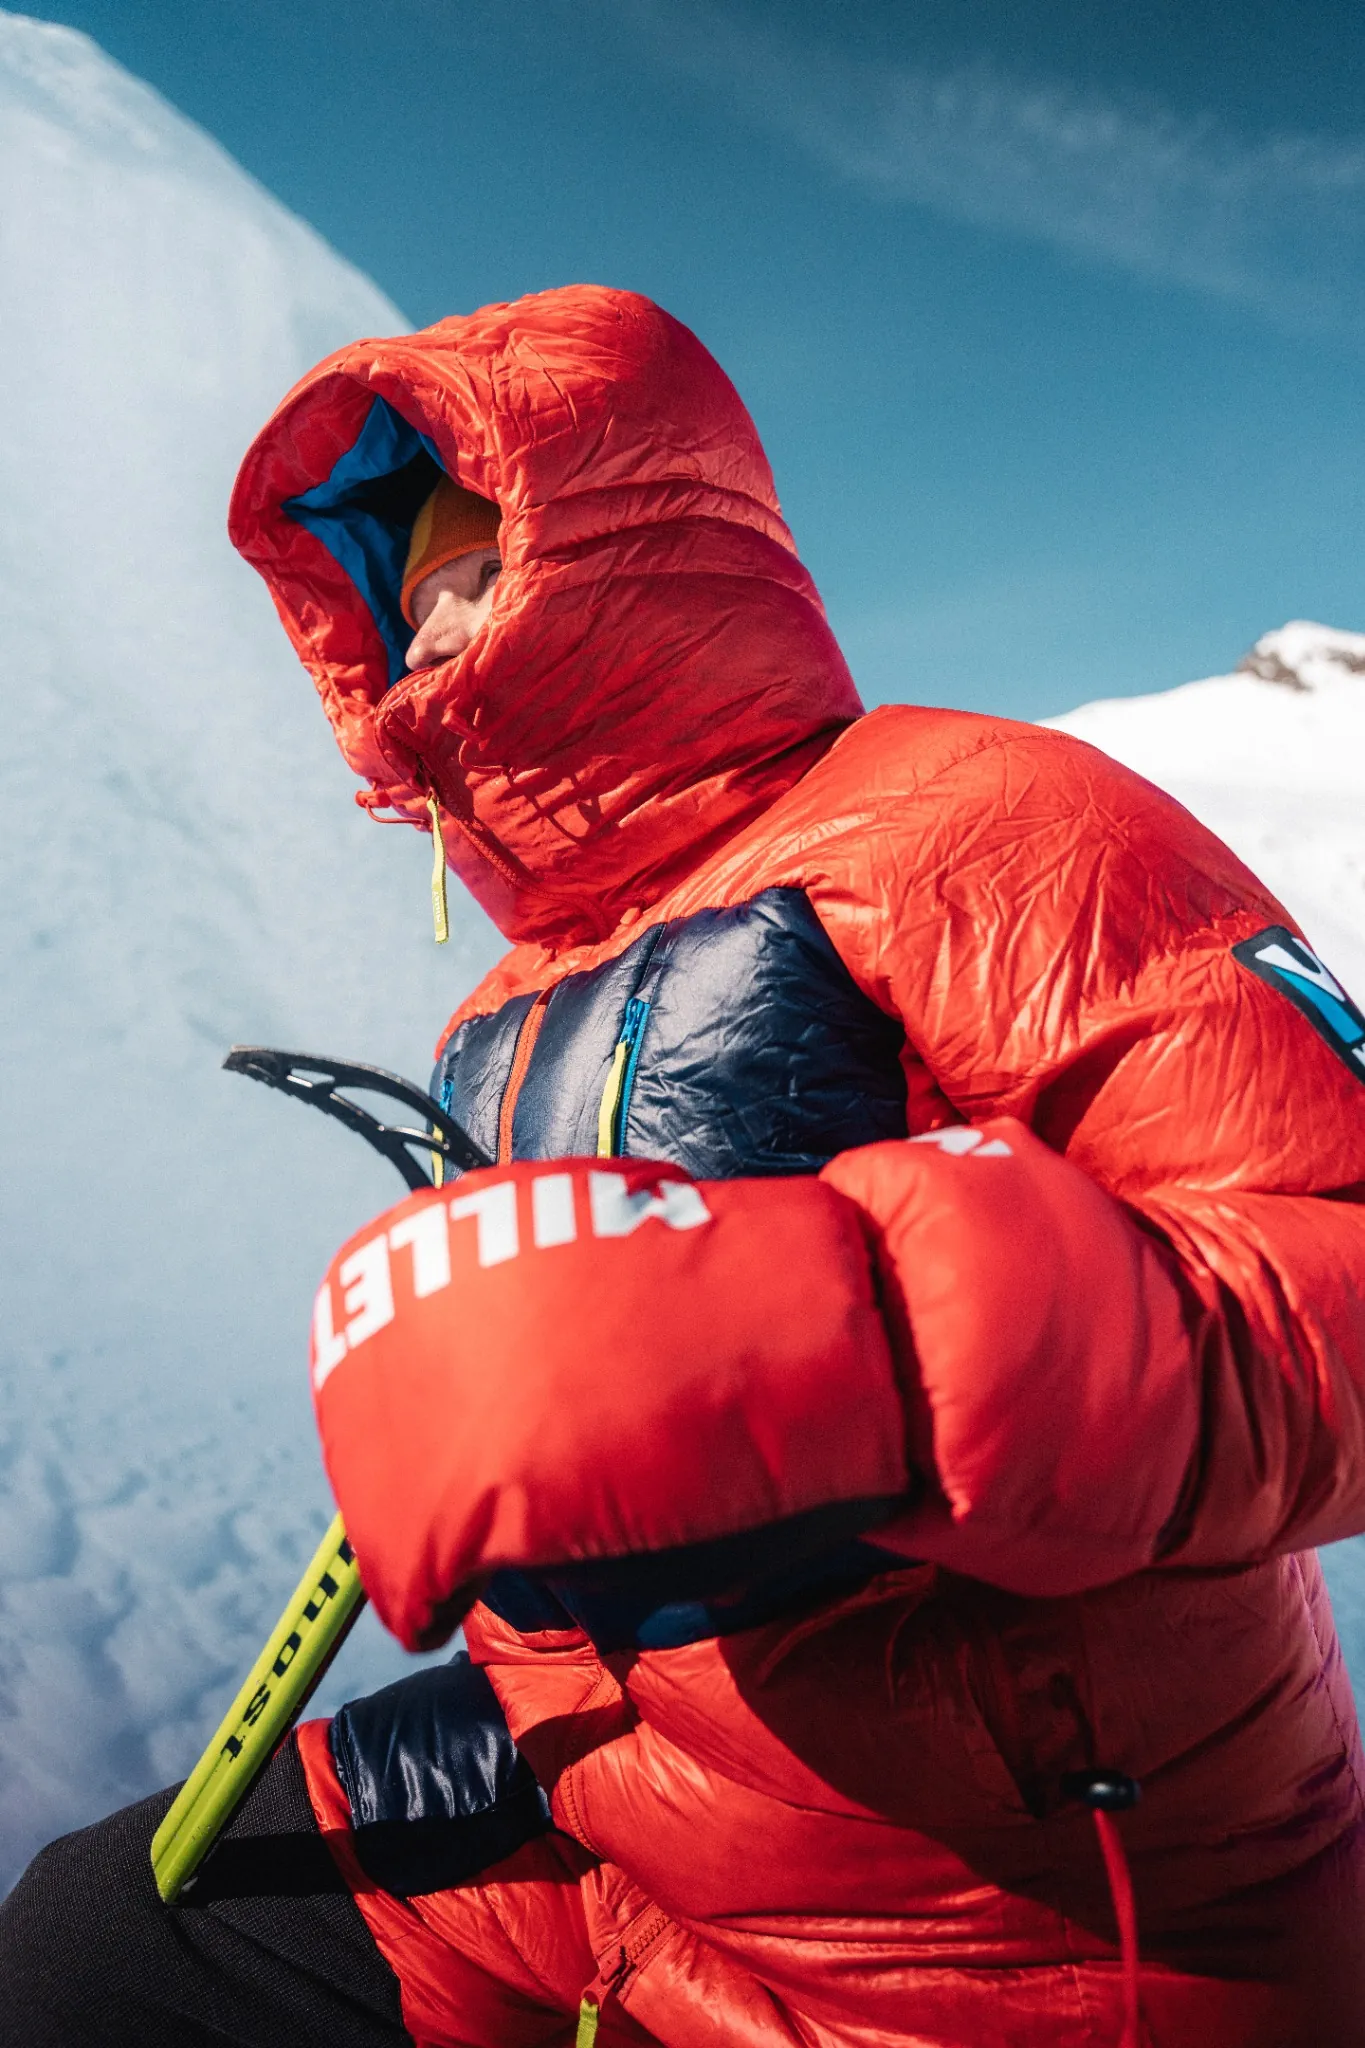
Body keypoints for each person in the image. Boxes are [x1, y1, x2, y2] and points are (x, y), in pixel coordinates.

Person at [6, 284, 1365, 2048]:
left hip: (1009, 1908)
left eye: (466, 576)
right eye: (401, 607)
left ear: (616, 543)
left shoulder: (978, 821)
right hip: (617, 1802)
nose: (423, 646)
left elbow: (1329, 1260)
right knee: (99, 1938)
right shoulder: (508, 1005)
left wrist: (859, 1354)